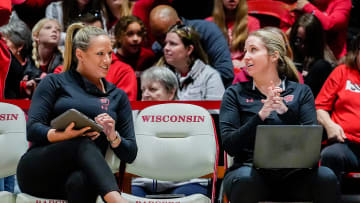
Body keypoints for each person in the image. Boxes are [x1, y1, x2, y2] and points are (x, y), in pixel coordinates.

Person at [16, 23, 137, 203]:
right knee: (81, 141)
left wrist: (113, 136)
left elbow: (130, 154)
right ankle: (116, 200)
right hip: (39, 170)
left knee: (82, 181)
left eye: (110, 53)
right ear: (80, 55)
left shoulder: (117, 96)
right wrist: (63, 135)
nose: (107, 60)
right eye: (100, 54)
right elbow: (32, 129)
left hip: (82, 175)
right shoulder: (53, 82)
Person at [219, 28, 339, 203]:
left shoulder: (301, 92)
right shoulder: (234, 93)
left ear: (274, 56)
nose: (246, 57)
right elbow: (230, 145)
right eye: (245, 51)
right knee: (245, 180)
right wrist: (260, 115)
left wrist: (285, 112)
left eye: (253, 50)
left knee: (326, 177)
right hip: (250, 170)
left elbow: (311, 140)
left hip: (296, 174)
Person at [149, 5, 234, 87]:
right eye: (157, 38)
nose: (163, 43)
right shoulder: (158, 47)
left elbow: (226, 73)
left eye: (165, 35)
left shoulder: (207, 31)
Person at [316, 33, 360, 184]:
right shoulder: (343, 72)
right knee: (331, 155)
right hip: (345, 145)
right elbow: (320, 107)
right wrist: (330, 125)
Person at [158, 24, 225, 101]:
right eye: (165, 44)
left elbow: (216, 111)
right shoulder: (159, 75)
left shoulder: (210, 76)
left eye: (173, 44)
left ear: (189, 49)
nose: (166, 48)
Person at [206, 0, 260, 72]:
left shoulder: (252, 22)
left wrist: (243, 63)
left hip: (244, 69)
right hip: (218, 69)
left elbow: (255, 50)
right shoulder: (208, 23)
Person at [289, 13, 334, 97]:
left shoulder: (322, 66)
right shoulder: (287, 56)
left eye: (307, 42)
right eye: (298, 40)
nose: (302, 46)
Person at [113, 15, 155, 100]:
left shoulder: (148, 57)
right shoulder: (113, 60)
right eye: (130, 34)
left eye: (139, 34)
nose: (136, 39)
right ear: (119, 37)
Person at [0, 17, 35, 99]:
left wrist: (22, 87)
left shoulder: (34, 70)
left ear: (19, 46)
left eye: (4, 42)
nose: (2, 46)